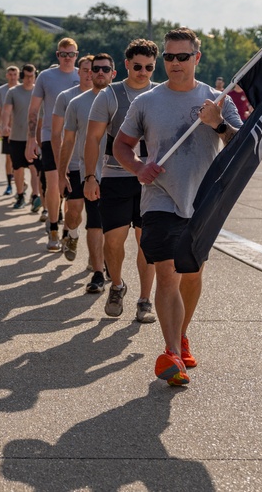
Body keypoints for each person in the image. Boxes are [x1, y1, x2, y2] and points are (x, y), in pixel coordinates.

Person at [114, 27, 242, 386]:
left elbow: (241, 147)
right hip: (159, 198)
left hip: (202, 200)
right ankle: (172, 353)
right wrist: (138, 166)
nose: (173, 63)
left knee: (193, 272)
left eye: (181, 56)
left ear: (196, 58)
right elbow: (121, 146)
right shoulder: (146, 102)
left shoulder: (218, 100)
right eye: (168, 57)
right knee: (167, 272)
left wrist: (216, 124)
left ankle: (181, 336)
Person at [84, 39, 158, 323]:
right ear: (126, 65)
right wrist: (91, 176)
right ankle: (117, 285)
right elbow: (93, 138)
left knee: (147, 243)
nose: (143, 72)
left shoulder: (160, 94)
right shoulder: (110, 95)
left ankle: (144, 300)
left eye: (149, 67)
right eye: (137, 66)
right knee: (113, 242)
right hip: (115, 176)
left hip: (150, 182)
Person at [59, 54, 113, 293]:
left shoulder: (122, 100)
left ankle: (100, 269)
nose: (98, 73)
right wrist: (62, 172)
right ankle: (71, 232)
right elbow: (68, 140)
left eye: (103, 69)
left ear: (113, 72)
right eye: (94, 69)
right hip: (83, 169)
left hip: (114, 172)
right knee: (74, 214)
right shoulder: (77, 103)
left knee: (102, 222)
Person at [27, 39, 81, 251]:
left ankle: (68, 229)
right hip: (51, 136)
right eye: (63, 54)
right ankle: (53, 228)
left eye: (71, 54)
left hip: (76, 138)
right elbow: (34, 110)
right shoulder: (46, 77)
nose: (67, 58)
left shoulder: (83, 75)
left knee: (70, 185)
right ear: (57, 56)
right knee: (52, 183)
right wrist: (31, 139)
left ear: (77, 55)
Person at [49, 56, 93, 261]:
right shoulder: (67, 98)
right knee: (74, 209)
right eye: (85, 70)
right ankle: (72, 235)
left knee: (98, 217)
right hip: (74, 164)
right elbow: (56, 134)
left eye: (93, 70)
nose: (89, 74)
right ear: (79, 72)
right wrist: (61, 168)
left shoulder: (107, 97)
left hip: (100, 167)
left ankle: (99, 264)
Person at [1, 64, 41, 211]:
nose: (29, 79)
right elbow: (6, 111)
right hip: (17, 136)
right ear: (22, 76)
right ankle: (20, 195)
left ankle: (35, 196)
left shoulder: (39, 91)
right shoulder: (13, 92)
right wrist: (4, 125)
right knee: (17, 168)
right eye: (26, 76)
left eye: (32, 76)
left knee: (34, 169)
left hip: (34, 137)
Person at [0, 66, 20, 195]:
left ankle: (22, 185)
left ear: (18, 75)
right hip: (7, 130)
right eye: (10, 74)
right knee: (9, 158)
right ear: (6, 75)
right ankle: (9, 185)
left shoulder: (24, 89)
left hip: (21, 129)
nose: (12, 77)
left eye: (15, 74)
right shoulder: (1, 90)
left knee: (22, 160)